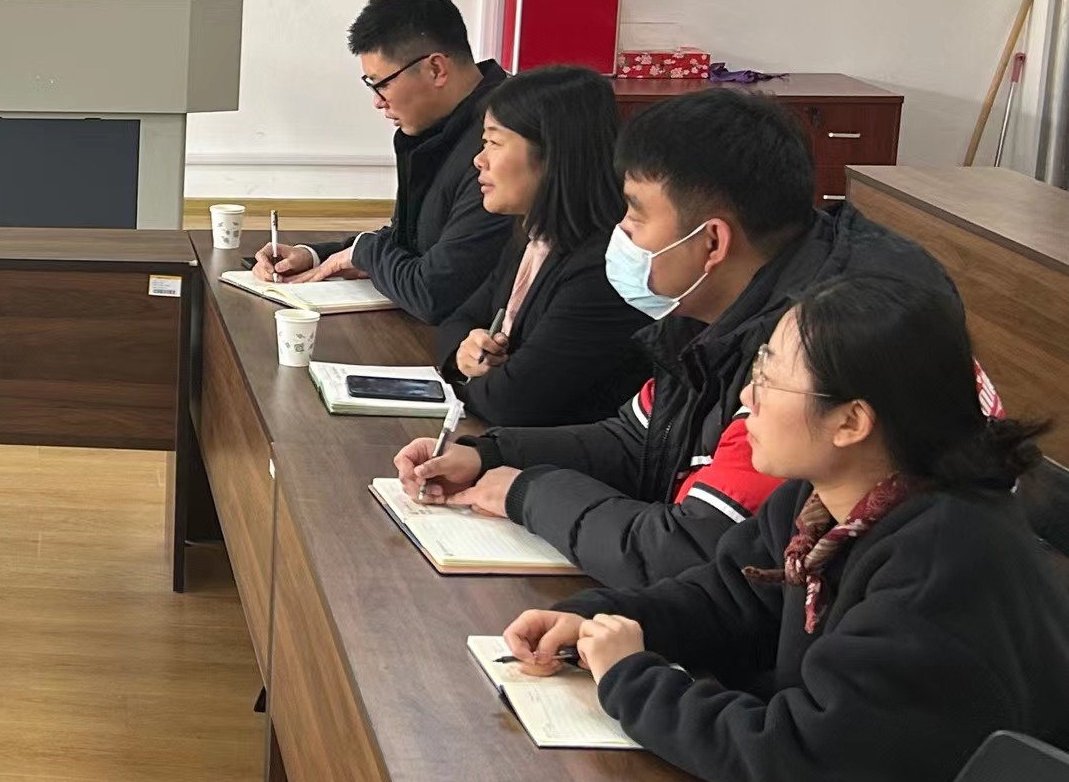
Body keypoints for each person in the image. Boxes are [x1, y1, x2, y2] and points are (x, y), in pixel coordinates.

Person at [499, 277, 1069, 782]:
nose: (748, 397)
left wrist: (632, 679)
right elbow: (727, 599)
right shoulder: (826, 498)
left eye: (769, 378)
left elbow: (805, 755)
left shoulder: (943, 562)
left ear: (850, 421)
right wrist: (595, 619)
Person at [396, 87, 966, 588]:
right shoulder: (709, 300)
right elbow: (637, 437)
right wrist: (487, 453)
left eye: (636, 215)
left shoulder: (805, 352)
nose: (619, 233)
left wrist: (525, 492)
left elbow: (695, 549)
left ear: (712, 241)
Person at [254, 0, 511, 325]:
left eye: (383, 83)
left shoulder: (505, 141)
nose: (377, 101)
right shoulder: (440, 129)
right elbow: (409, 241)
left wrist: (364, 252)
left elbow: (433, 293)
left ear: (436, 69)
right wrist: (315, 256)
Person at [433, 65, 650, 427]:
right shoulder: (533, 237)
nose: (479, 159)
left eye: (494, 143)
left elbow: (510, 403)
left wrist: (469, 380)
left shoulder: (604, 269)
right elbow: (458, 320)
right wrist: (463, 352)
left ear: (553, 154)